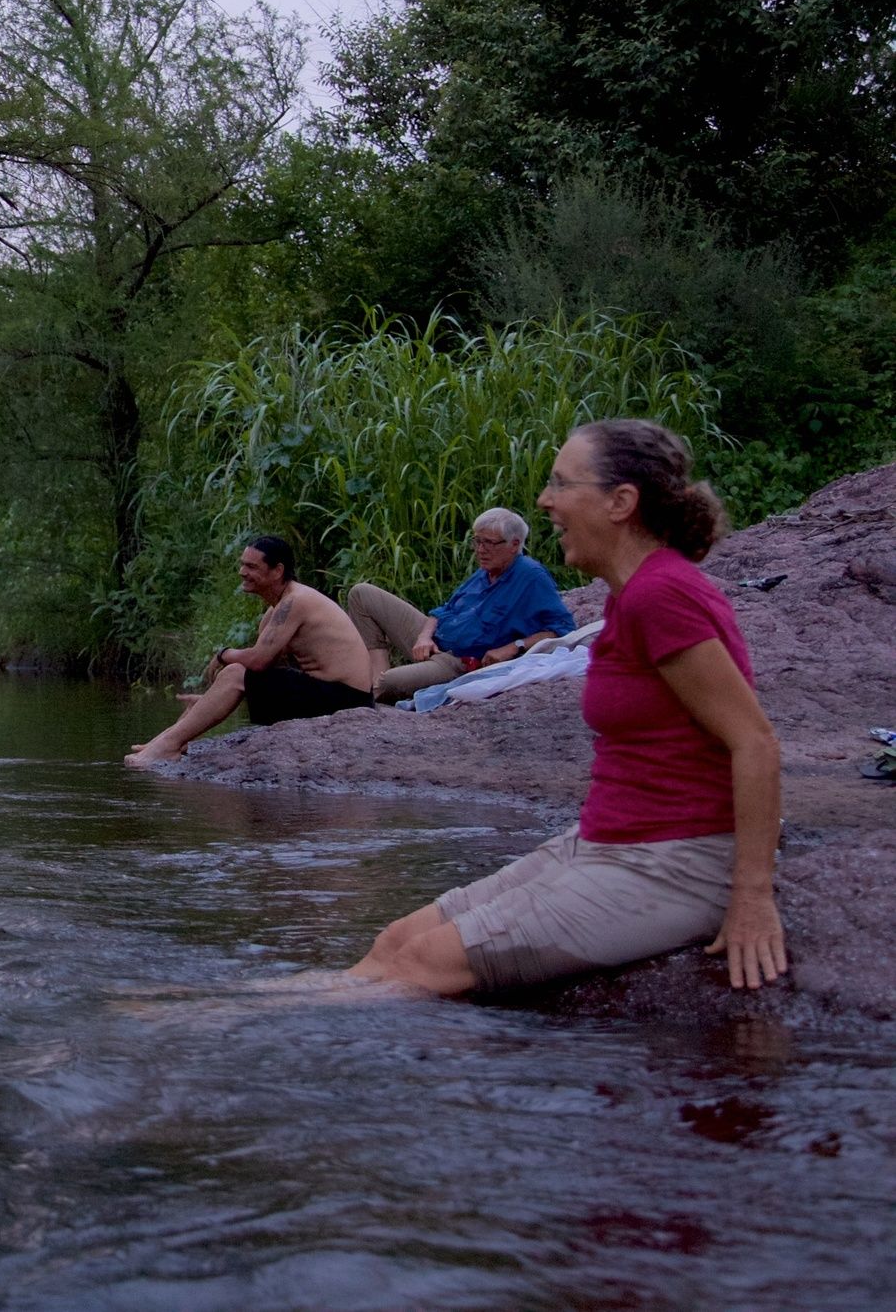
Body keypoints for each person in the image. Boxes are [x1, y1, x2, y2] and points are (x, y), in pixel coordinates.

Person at [349, 419, 786, 996]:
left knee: (424, 963)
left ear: (620, 502)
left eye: (561, 483)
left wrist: (751, 899)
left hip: (674, 864)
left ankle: (222, 1036)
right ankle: (216, 1015)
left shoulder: (664, 596)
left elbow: (755, 743)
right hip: (605, 840)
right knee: (396, 941)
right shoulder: (631, 594)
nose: (544, 500)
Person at [127, 535, 372, 766]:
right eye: (243, 565)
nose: (242, 572)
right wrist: (208, 701)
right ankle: (168, 741)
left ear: (277, 571)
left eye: (252, 567)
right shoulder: (275, 612)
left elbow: (257, 662)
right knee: (235, 674)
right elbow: (266, 671)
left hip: (348, 700)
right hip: (325, 693)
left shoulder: (296, 601)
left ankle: (169, 745)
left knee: (235, 672)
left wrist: (223, 654)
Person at [348, 508, 576, 702]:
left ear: (514, 544)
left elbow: (563, 630)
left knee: (391, 682)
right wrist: (424, 637)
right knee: (362, 594)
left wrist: (514, 646)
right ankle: (374, 679)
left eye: (489, 543)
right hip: (433, 642)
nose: (480, 550)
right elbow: (441, 611)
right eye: (477, 541)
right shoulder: (485, 571)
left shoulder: (531, 577)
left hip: (457, 662)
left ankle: (375, 689)